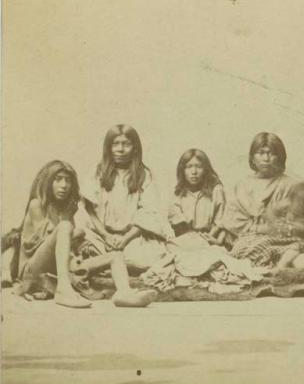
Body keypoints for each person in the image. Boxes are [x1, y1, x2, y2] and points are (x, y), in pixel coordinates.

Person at [17, 160, 155, 308]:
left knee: (116, 255)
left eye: (68, 180)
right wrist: (76, 232)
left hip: (62, 266)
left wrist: (78, 243)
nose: (64, 185)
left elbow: (67, 245)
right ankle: (63, 290)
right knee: (66, 226)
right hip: (34, 270)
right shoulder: (36, 205)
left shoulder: (66, 209)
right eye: (58, 179)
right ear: (46, 182)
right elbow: (47, 243)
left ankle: (124, 293)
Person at [78, 124, 168, 273]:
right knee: (80, 242)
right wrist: (106, 235)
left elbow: (148, 212)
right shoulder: (98, 171)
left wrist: (125, 239)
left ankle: (107, 265)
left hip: (132, 237)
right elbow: (89, 209)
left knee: (147, 258)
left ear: (135, 148)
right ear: (109, 148)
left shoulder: (144, 175)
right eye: (115, 144)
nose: (120, 149)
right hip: (102, 235)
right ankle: (109, 264)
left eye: (126, 144)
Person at [230, 181, 304, 270]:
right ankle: (275, 262)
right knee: (264, 242)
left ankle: (282, 265)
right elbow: (269, 212)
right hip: (282, 239)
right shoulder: (286, 204)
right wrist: (275, 222)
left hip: (299, 242)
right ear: (292, 199)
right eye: (300, 204)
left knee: (295, 253)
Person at [223, 132, 296, 240]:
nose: (266, 158)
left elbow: (298, 223)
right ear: (252, 157)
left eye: (271, 153)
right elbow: (232, 222)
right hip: (246, 240)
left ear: (279, 157)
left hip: (282, 241)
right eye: (260, 153)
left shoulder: (290, 185)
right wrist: (260, 229)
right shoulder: (240, 186)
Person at [168, 149, 226, 245]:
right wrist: (195, 241)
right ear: (182, 170)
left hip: (210, 240)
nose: (194, 172)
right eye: (188, 167)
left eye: (199, 167)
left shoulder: (216, 190)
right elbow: (178, 225)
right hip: (185, 240)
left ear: (206, 170)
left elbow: (221, 221)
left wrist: (208, 239)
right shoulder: (177, 194)